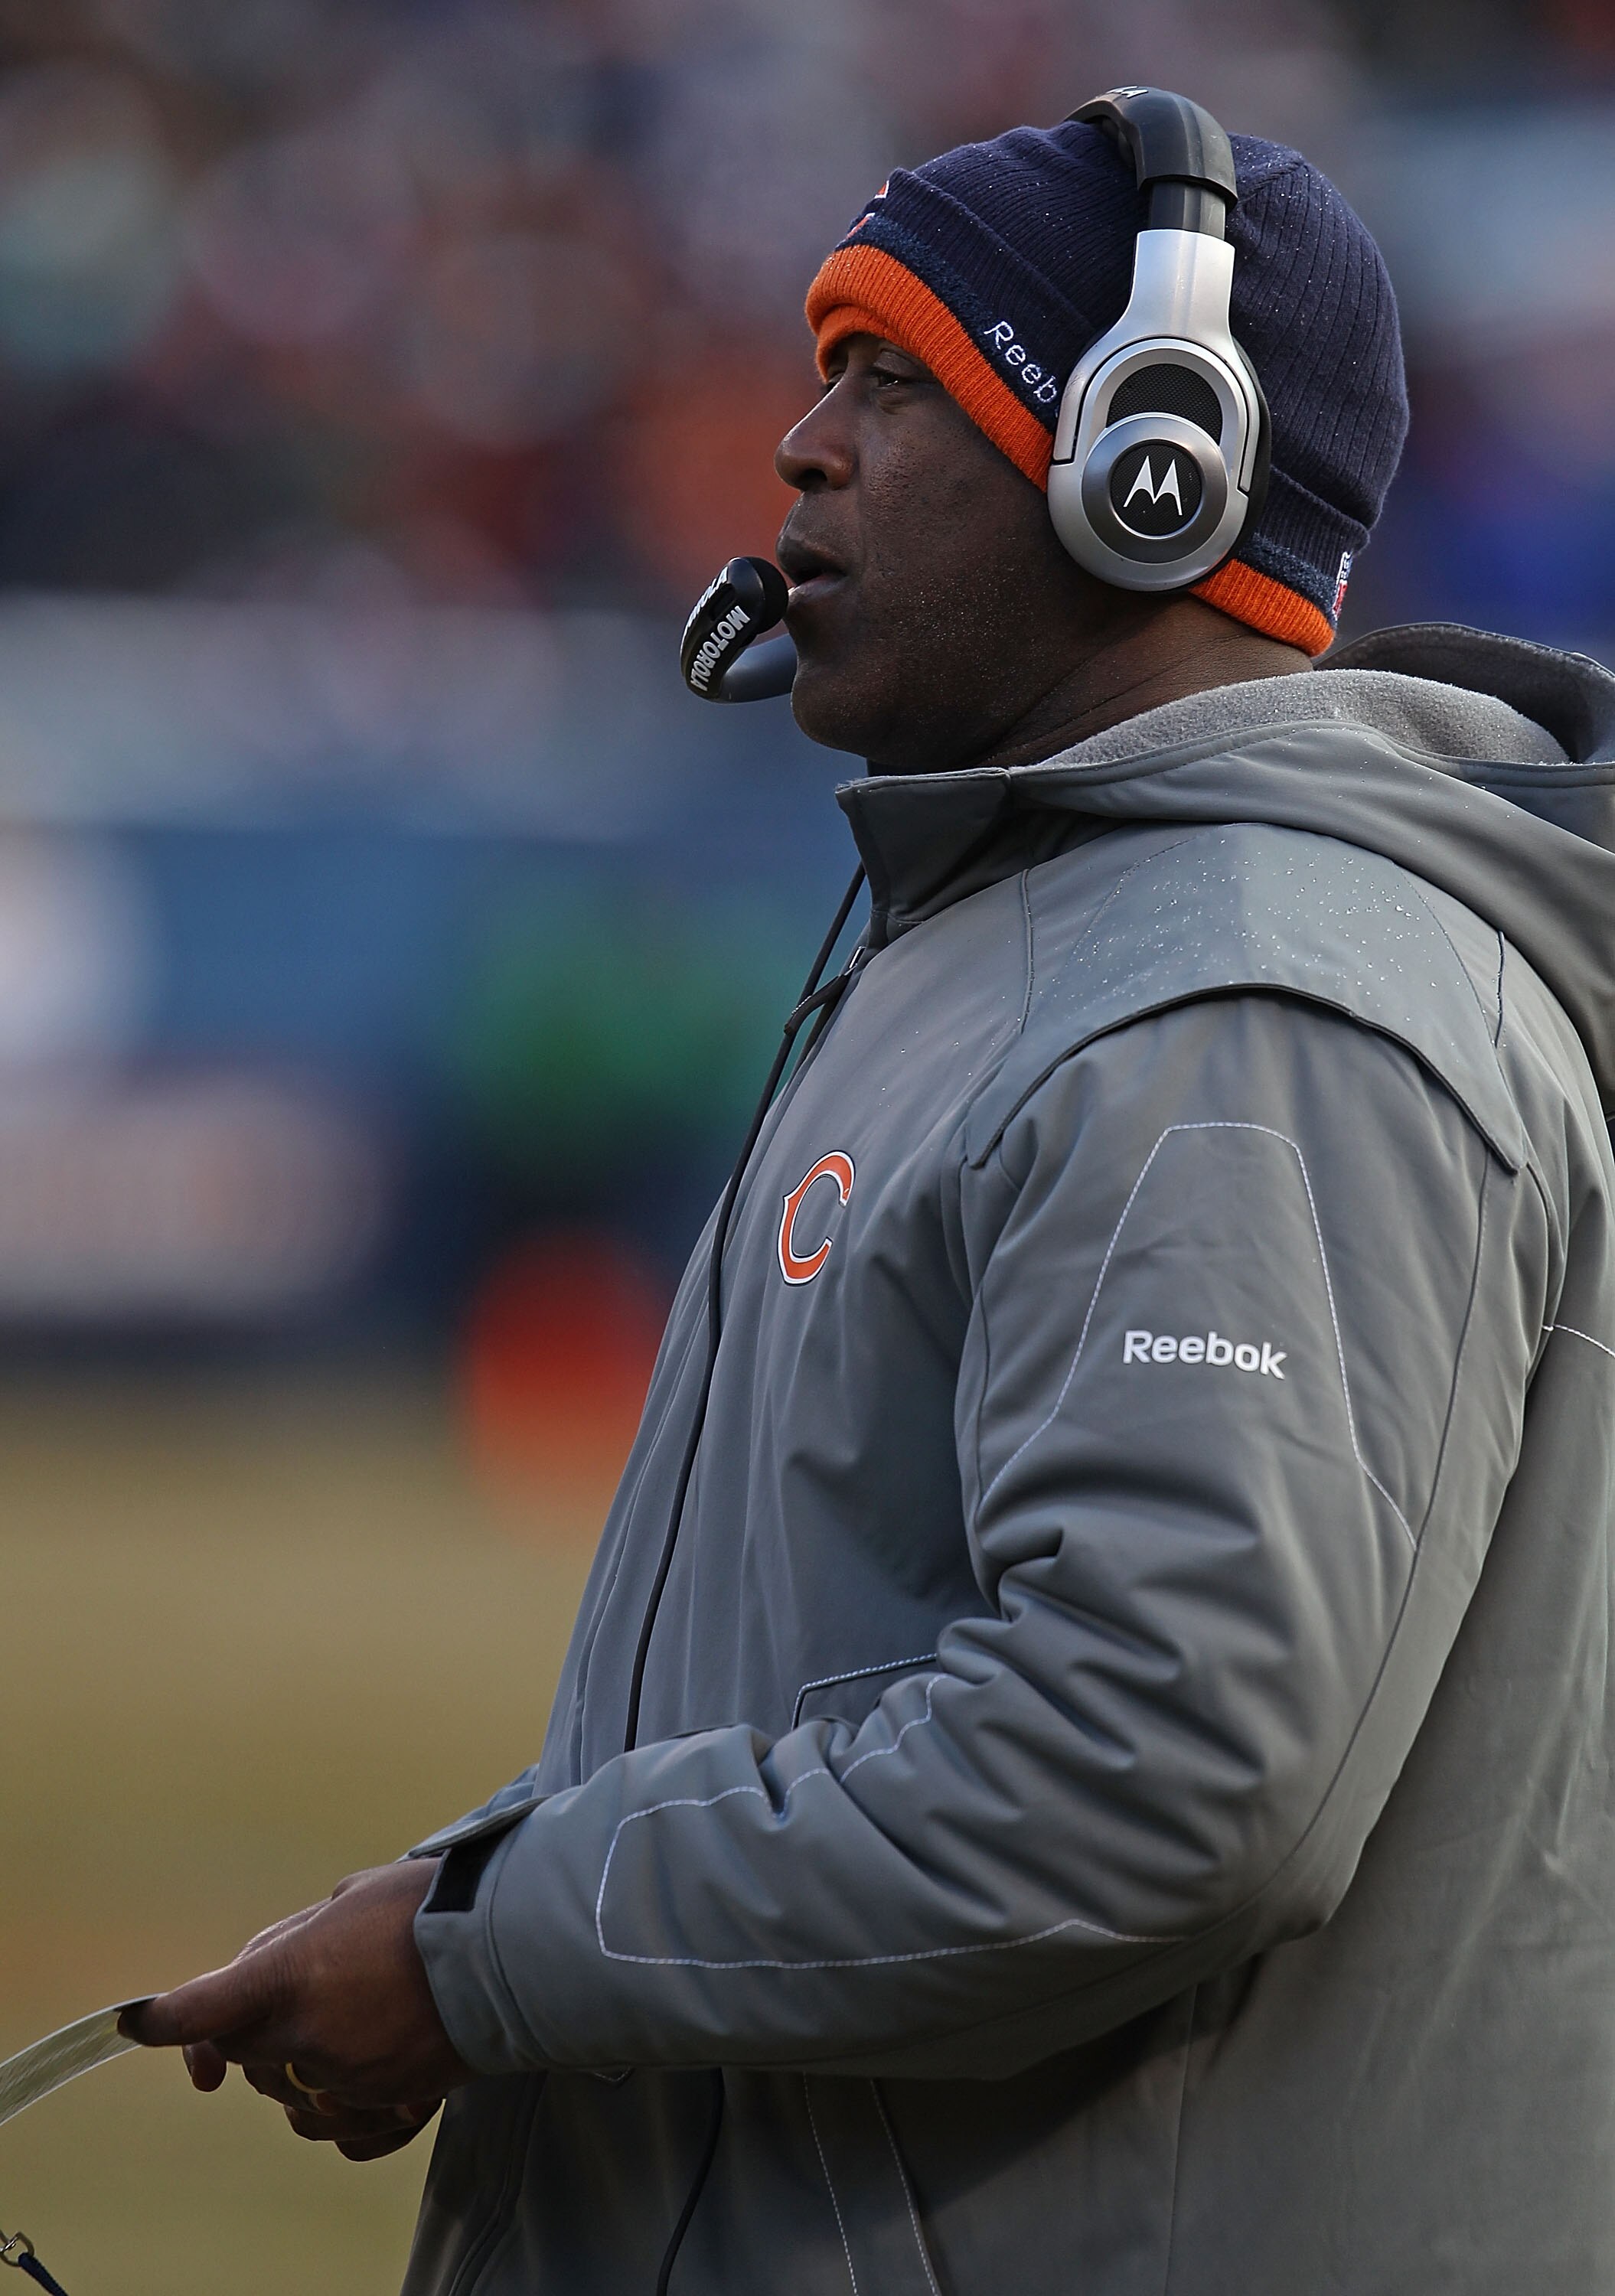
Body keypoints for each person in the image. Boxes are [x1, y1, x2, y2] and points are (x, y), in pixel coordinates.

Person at [126, 95, 1615, 2294]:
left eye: (892, 376)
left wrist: (485, 1957)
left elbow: (1158, 1771)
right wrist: (474, 1900)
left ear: (1153, 469)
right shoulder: (1051, 945)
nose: (801, 445)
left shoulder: (1244, 1006)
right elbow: (876, 1673)